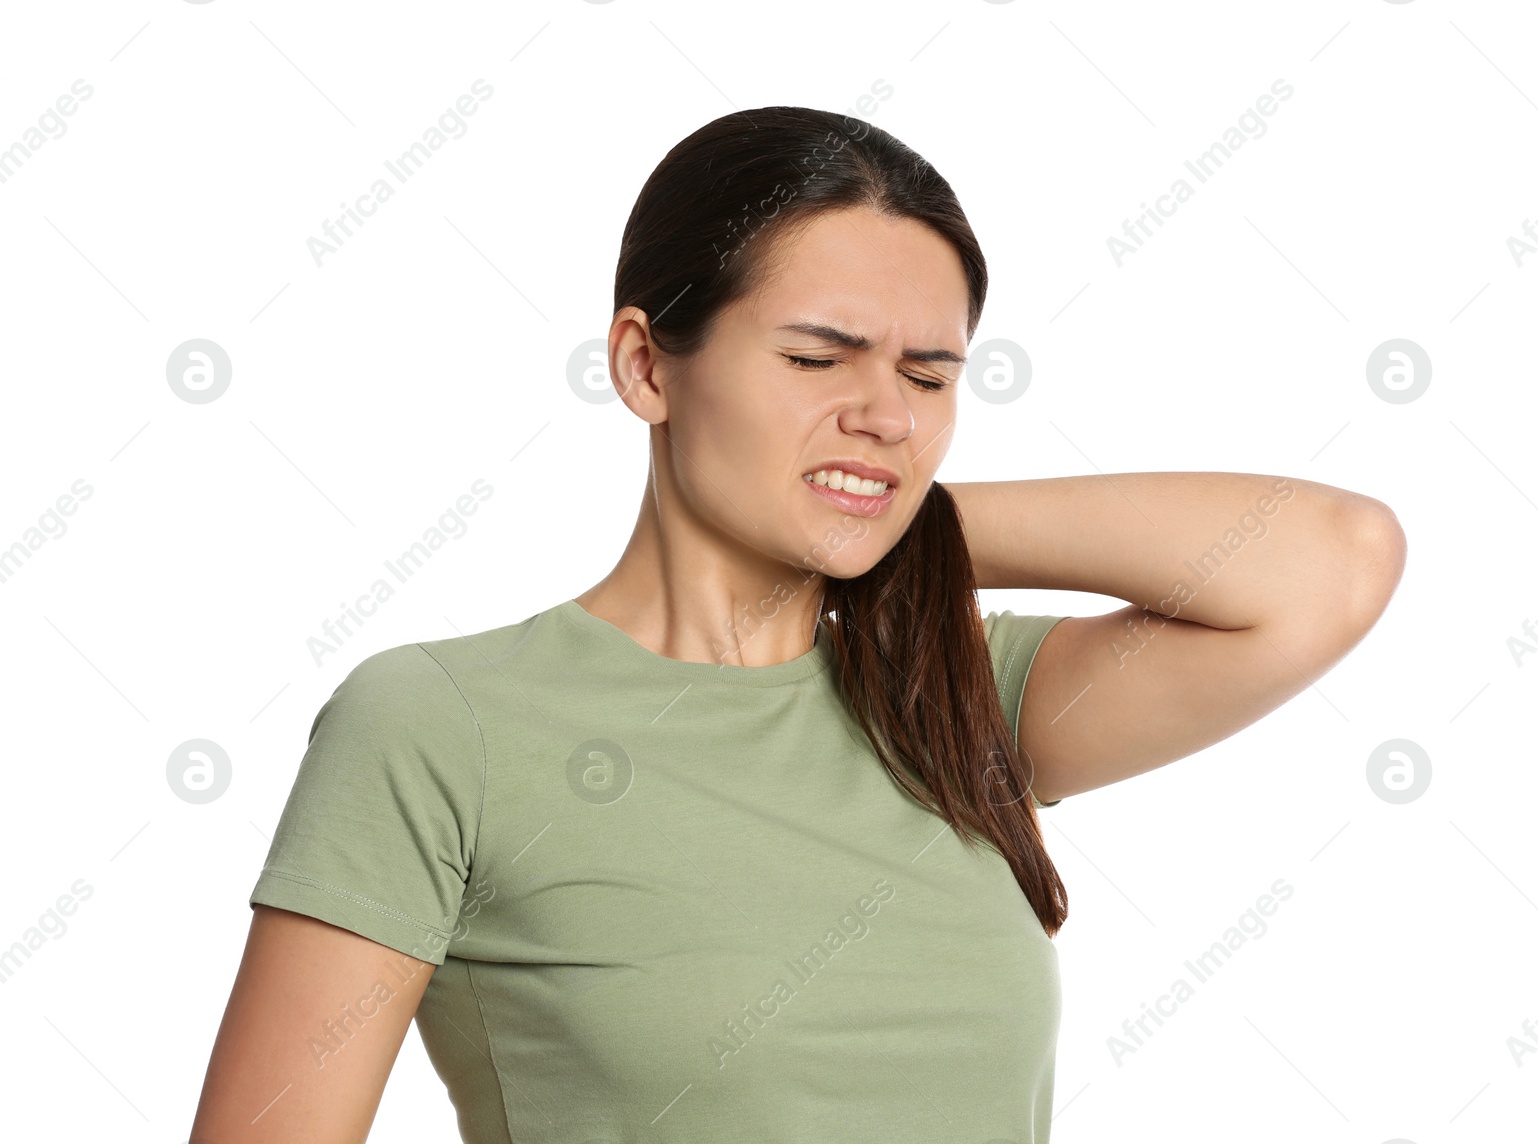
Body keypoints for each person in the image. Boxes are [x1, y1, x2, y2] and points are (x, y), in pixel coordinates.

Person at [189, 105, 1405, 1143]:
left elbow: (1332, 562)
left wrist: (892, 519)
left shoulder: (956, 692)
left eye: (928, 377)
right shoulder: (438, 726)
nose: (885, 411)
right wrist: (849, 507)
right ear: (646, 366)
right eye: (820, 359)